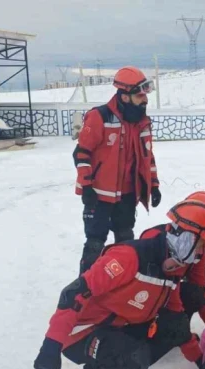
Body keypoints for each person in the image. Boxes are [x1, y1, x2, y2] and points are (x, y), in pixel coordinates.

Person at [32, 192, 205, 369]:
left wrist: (201, 362)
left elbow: (175, 313)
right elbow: (73, 294)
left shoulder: (174, 265)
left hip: (124, 325)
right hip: (85, 331)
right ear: (186, 238)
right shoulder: (129, 257)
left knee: (171, 330)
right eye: (200, 245)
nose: (201, 252)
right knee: (132, 357)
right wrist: (52, 344)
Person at [73, 66, 162, 274]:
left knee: (125, 241)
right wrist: (86, 187)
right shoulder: (99, 117)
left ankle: (121, 283)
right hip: (98, 196)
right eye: (140, 95)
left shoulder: (142, 122)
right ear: (124, 96)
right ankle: (84, 288)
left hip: (127, 195)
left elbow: (148, 157)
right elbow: (81, 153)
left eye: (145, 95)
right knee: (95, 243)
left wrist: (154, 185)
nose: (145, 100)